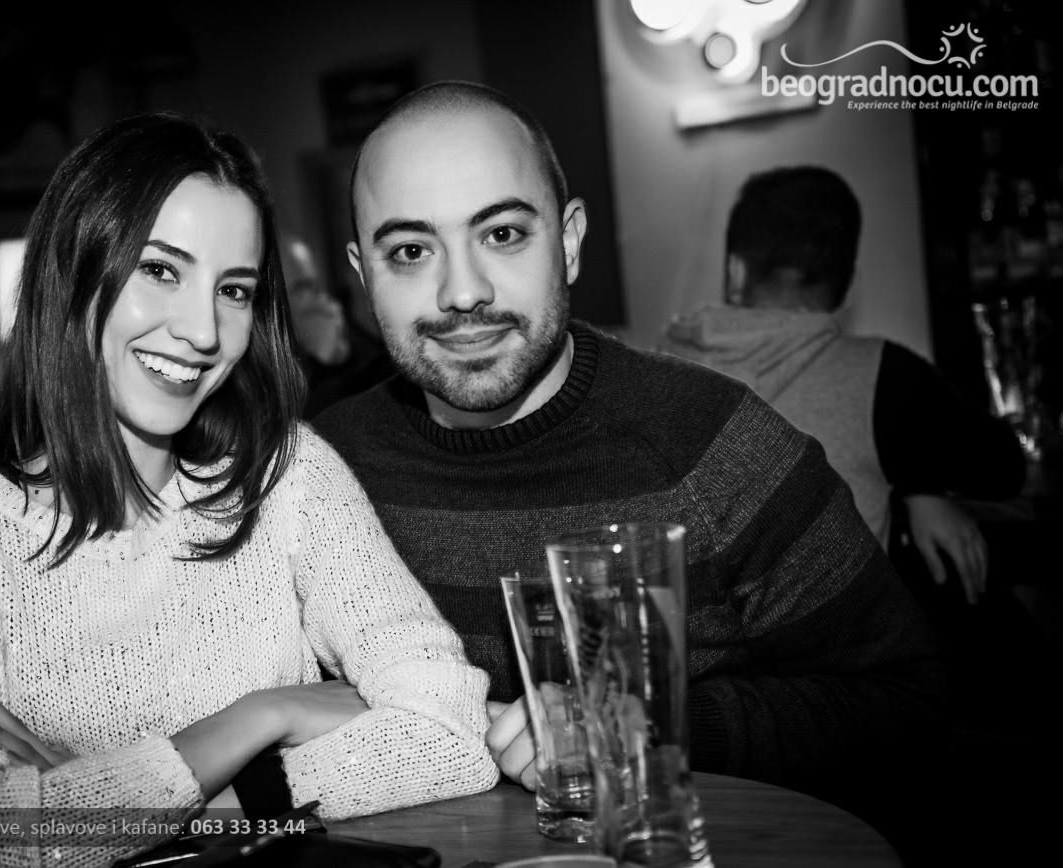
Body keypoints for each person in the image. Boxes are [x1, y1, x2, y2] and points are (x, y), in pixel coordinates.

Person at [0, 112, 497, 868]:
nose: (204, 330)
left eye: (234, 289)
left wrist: (134, 808)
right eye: (160, 270)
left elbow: (453, 732)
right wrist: (262, 717)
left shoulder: (286, 477)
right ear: (73, 272)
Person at [311, 82, 945, 805]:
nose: (462, 292)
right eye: (410, 250)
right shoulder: (319, 473)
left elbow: (908, 701)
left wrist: (654, 726)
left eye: (503, 234)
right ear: (363, 275)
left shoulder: (712, 445)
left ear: (569, 242)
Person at [658, 166, 1027, 605]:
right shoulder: (887, 378)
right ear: (849, 285)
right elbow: (1005, 470)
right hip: (838, 645)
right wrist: (918, 482)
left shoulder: (654, 372)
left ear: (735, 272)